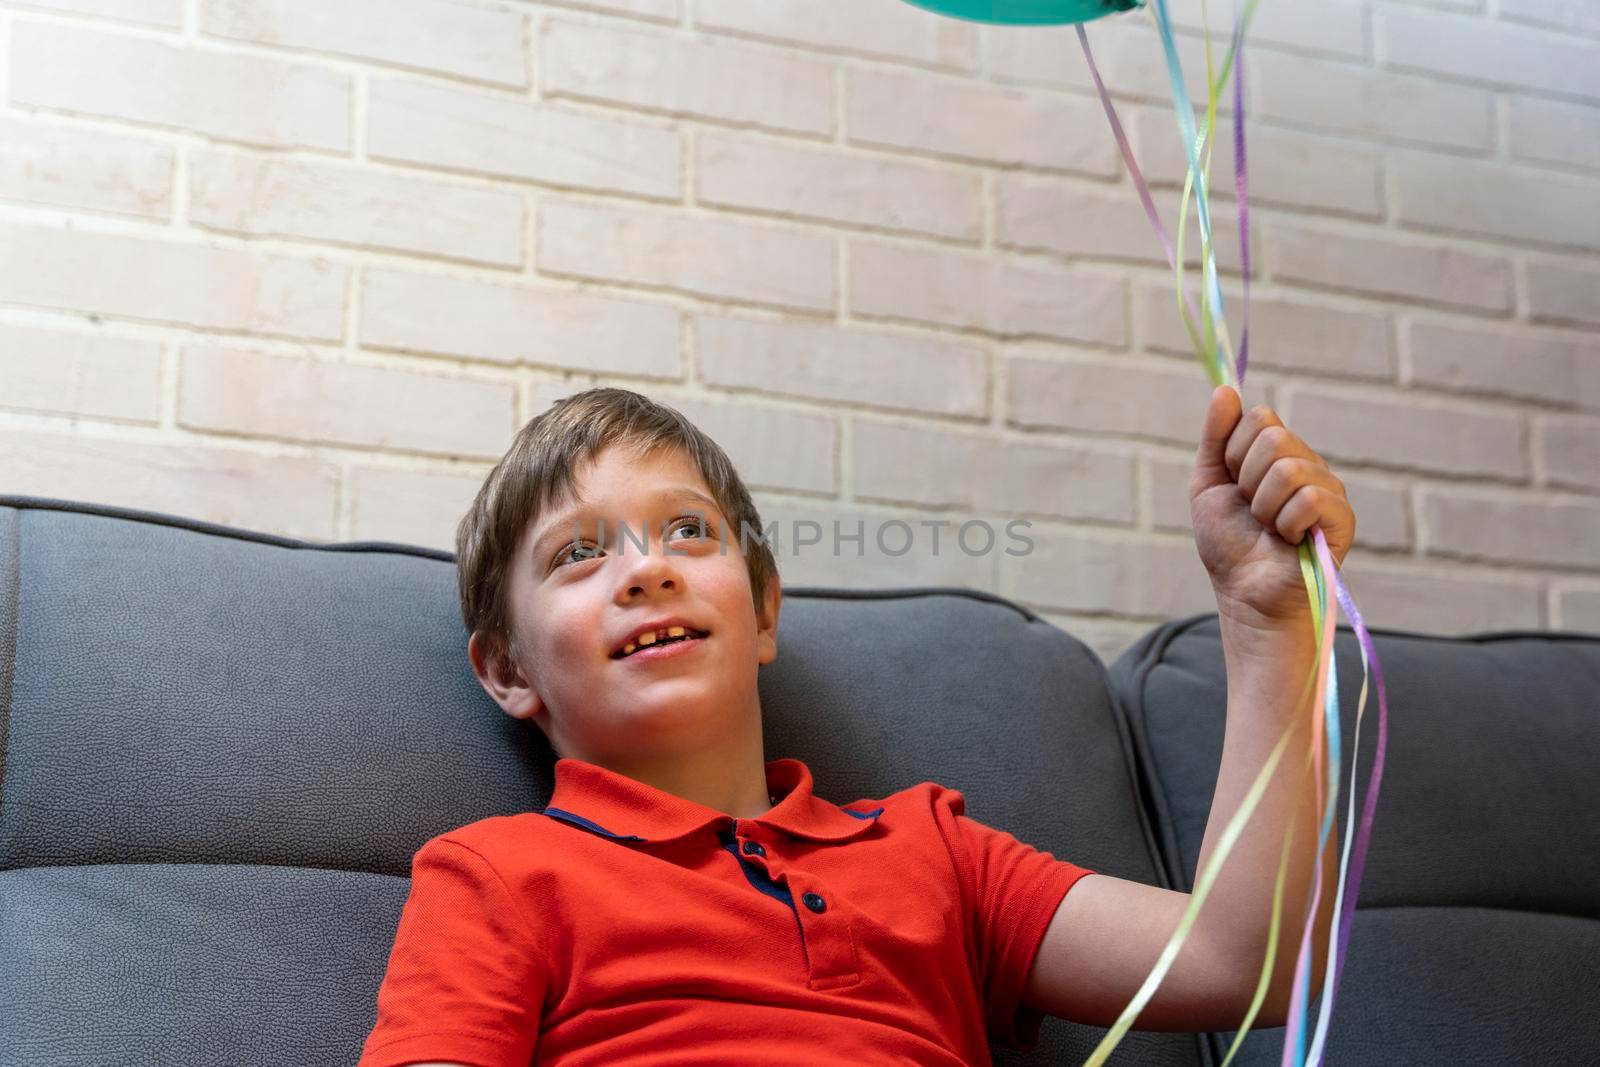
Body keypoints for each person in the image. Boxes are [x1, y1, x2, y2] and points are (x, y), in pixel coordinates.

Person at [357, 384, 1353, 1067]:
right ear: (505, 669)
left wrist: (1270, 621)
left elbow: (1246, 962)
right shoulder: (498, 872)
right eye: (578, 552)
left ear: (764, 613)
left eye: (689, 531)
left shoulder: (935, 851)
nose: (645, 568)